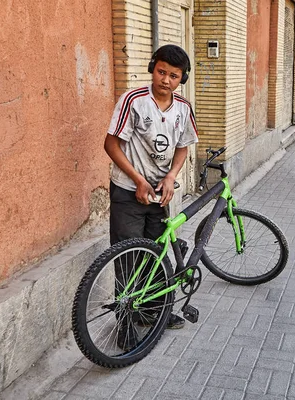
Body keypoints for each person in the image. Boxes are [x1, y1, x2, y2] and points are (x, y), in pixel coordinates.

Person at [104, 44, 198, 349]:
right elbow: (111, 145)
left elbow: (183, 145)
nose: (166, 79)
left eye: (174, 75)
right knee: (127, 258)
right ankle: (125, 322)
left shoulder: (183, 108)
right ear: (152, 68)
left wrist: (172, 176)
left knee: (156, 256)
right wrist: (138, 180)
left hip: (159, 196)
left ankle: (153, 311)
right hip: (128, 193)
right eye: (161, 71)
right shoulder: (133, 101)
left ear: (181, 79)